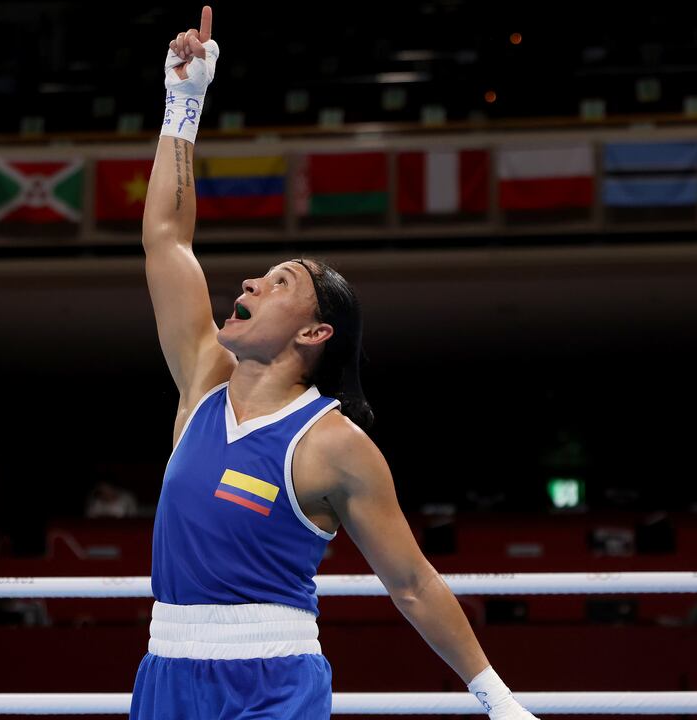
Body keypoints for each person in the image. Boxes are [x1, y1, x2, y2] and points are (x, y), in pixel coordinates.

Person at [129, 7, 538, 719]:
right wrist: (183, 100)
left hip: (273, 681)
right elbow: (166, 236)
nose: (251, 283)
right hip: (165, 673)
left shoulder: (336, 445)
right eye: (260, 274)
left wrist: (498, 701)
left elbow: (411, 582)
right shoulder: (201, 380)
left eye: (279, 281)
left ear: (316, 332)